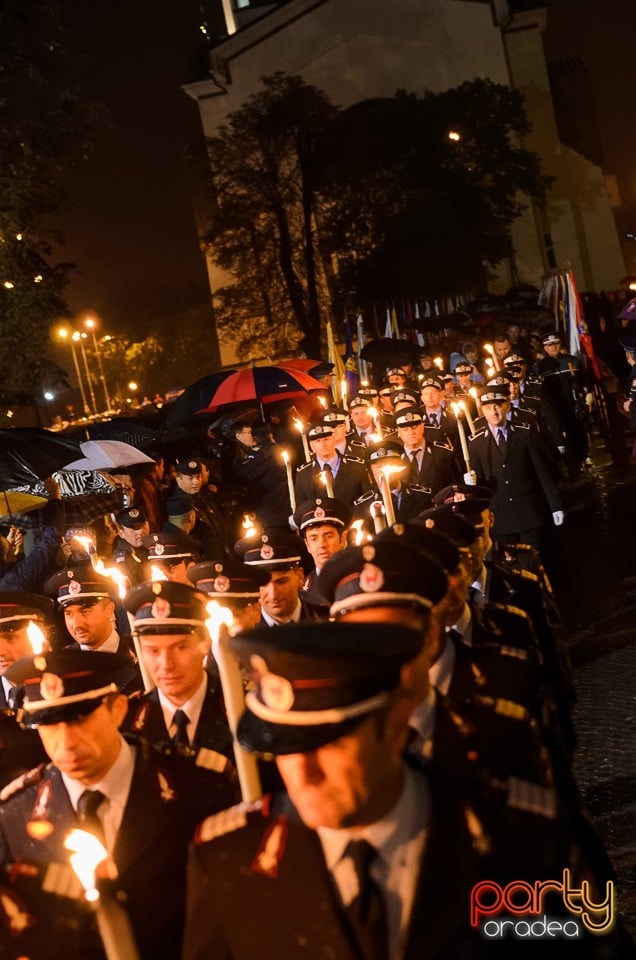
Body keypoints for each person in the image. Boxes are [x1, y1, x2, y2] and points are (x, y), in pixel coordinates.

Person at [0, 649, 237, 960]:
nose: (66, 743)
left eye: (80, 719)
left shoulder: (198, 786)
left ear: (117, 710)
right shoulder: (16, 813)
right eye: (49, 726)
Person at [122, 581, 234, 769]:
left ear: (205, 642)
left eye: (180, 648)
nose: (167, 664)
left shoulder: (239, 708)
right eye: (153, 651)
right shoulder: (127, 722)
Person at [468, 387, 563, 556]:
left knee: (537, 561)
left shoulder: (524, 433)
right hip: (500, 517)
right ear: (482, 410)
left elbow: (543, 473)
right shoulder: (477, 443)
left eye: (497, 406)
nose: (494, 412)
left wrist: (555, 506)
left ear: (506, 406)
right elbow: (480, 484)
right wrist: (471, 484)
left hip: (528, 512)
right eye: (488, 408)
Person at [47, 565, 142, 694]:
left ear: (109, 610)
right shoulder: (60, 665)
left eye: (85, 612)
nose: (76, 624)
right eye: (68, 614)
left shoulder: (141, 652)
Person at [293, 497, 351, 617]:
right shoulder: (302, 592)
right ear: (307, 545)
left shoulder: (358, 580)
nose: (322, 544)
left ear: (343, 539)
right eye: (314, 538)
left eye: (328, 536)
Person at [243, 531, 317, 625]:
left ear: (300, 577)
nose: (273, 595)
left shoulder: (326, 619)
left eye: (281, 581)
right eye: (264, 584)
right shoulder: (243, 631)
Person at [294, 423, 372, 506]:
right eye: (318, 441)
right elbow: (301, 508)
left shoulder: (356, 467)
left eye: (326, 439)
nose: (323, 445)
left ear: (334, 440)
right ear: (312, 446)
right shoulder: (304, 474)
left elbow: (367, 500)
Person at [395, 407, 460, 496]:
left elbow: (455, 485)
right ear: (398, 432)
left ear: (422, 427)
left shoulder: (442, 454)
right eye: (405, 429)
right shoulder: (395, 460)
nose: (411, 432)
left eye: (414, 427)